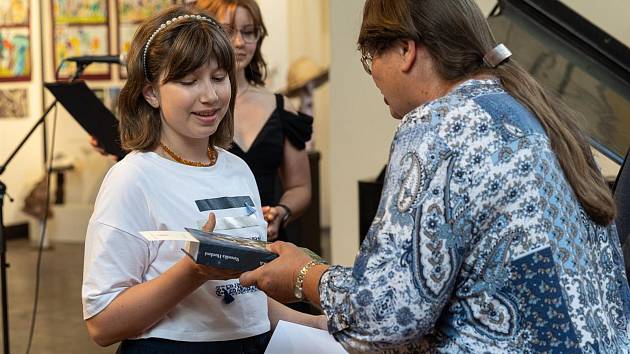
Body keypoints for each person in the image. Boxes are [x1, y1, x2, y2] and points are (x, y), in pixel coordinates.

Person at [239, 0, 630, 352]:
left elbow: (388, 314)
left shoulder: (438, 125)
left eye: (370, 56)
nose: (372, 74)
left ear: (406, 50)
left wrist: (303, 274)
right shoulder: (540, 115)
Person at [81, 5, 323, 353]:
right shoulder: (132, 178)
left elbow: (247, 302)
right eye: (188, 81)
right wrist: (192, 272)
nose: (210, 95)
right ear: (151, 92)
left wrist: (318, 323)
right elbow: (102, 324)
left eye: (219, 77)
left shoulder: (238, 171)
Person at [197, 0, 313, 242]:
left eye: (249, 32)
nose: (239, 42)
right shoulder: (196, 106)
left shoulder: (281, 107)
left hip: (267, 242)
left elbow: (300, 187)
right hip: (210, 237)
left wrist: (282, 211)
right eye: (228, 31)